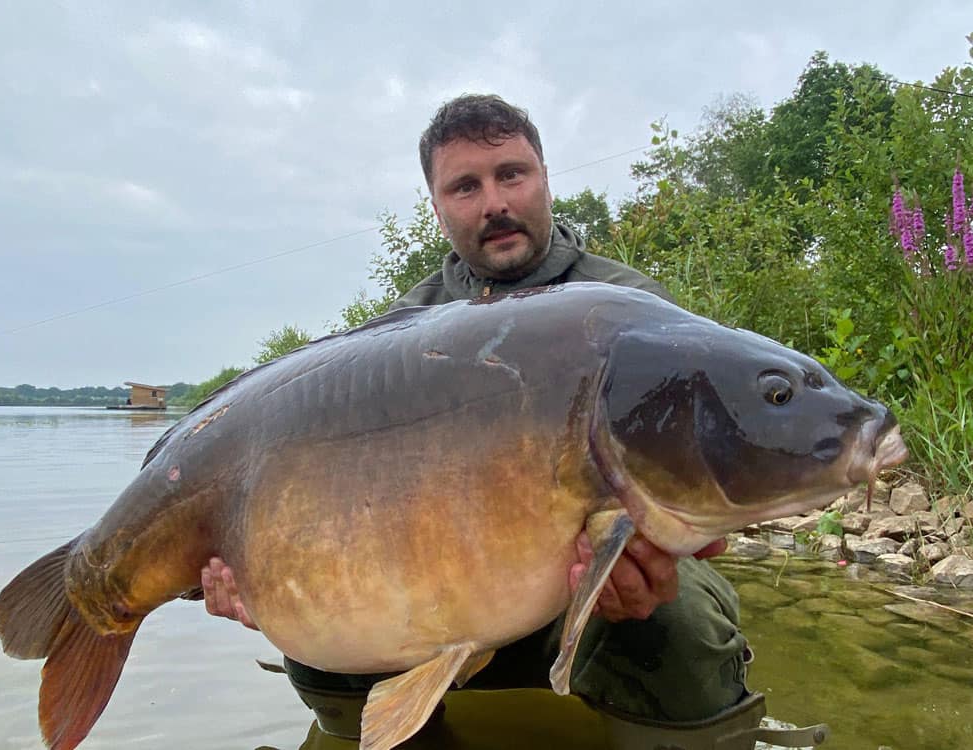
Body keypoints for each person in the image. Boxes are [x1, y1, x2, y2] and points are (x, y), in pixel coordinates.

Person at [202, 95, 779, 750]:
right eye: (465, 186)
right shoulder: (396, 338)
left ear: (544, 178)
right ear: (438, 205)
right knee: (325, 640)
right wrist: (260, 575)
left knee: (684, 624)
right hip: (446, 586)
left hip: (588, 589)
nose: (494, 202)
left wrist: (658, 553)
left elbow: (699, 483)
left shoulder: (632, 309)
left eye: (512, 174)